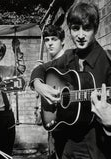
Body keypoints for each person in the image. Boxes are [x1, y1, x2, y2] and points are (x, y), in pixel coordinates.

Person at [30, 2, 111, 159]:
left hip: (97, 148)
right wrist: (39, 85)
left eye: (87, 28)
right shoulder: (67, 57)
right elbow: (41, 69)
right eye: (75, 28)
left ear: (96, 29)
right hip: (65, 145)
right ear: (69, 29)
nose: (80, 35)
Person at [41, 24, 67, 159]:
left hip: (69, 127)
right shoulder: (48, 66)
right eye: (47, 40)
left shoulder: (69, 62)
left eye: (54, 39)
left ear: (62, 41)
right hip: (55, 123)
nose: (50, 43)